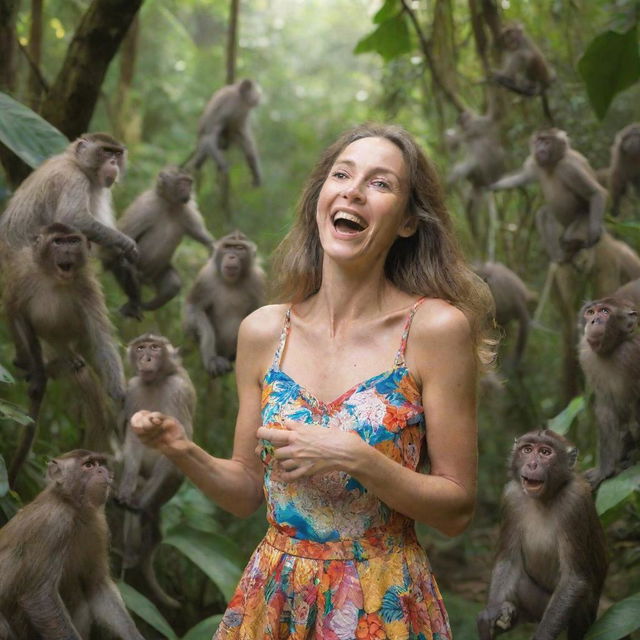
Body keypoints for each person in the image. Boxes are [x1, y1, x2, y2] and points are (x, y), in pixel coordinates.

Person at [130, 123, 494, 639]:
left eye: (381, 183)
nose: (353, 190)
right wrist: (180, 448)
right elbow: (244, 493)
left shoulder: (435, 330)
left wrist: (356, 457)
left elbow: (456, 510)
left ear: (409, 221)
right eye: (341, 175)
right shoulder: (262, 330)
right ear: (320, 198)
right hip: (274, 597)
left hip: (380, 600)